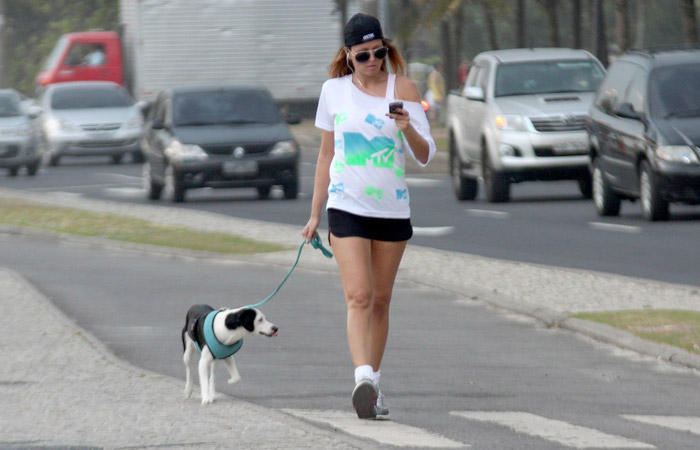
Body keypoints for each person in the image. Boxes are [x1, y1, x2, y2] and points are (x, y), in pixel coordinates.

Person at [302, 12, 436, 420]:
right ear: (348, 55)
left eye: (378, 52)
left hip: (392, 210)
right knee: (358, 295)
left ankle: (372, 388)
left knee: (380, 300)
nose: (373, 61)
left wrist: (407, 124)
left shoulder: (405, 88)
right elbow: (326, 155)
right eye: (363, 56)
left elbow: (426, 154)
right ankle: (362, 377)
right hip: (345, 206)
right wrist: (313, 216)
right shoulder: (333, 91)